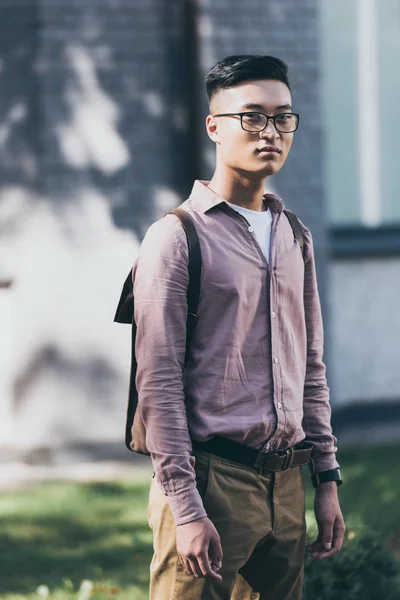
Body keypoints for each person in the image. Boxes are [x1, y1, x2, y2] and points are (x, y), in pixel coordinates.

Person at [133, 55, 345, 600]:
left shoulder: (295, 236)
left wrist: (326, 481)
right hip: (211, 479)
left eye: (283, 117)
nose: (270, 131)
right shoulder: (177, 236)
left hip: (288, 481)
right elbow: (157, 381)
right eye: (252, 116)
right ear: (214, 127)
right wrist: (185, 508)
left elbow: (310, 369)